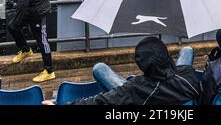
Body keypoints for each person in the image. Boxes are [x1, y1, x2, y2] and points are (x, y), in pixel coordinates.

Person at [44, 36, 201, 105]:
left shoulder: (135, 88)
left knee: (100, 68)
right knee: (187, 49)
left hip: (142, 94)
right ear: (166, 58)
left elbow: (99, 101)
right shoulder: (188, 74)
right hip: (176, 82)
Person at [4, 0, 55, 82]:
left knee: (41, 40)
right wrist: (13, 0)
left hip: (38, 12)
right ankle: (26, 50)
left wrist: (18, 15)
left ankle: (49, 71)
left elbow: (24, 3)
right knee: (12, 27)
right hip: (28, 9)